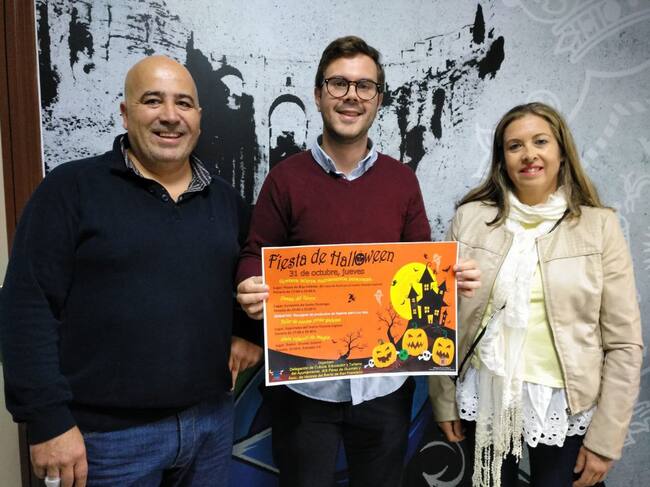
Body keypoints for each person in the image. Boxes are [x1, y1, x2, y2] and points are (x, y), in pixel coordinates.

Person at [0, 55, 261, 487]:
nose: (170, 116)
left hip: (210, 424)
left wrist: (248, 332)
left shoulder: (224, 199)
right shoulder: (70, 189)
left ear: (198, 118)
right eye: (152, 100)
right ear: (125, 113)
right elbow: (26, 305)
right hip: (107, 441)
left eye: (183, 103)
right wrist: (47, 420)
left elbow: (252, 271)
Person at [236, 36, 481, 487]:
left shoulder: (402, 181)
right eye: (339, 84)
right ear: (318, 94)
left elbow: (418, 265)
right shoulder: (284, 179)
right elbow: (255, 252)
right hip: (304, 386)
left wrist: (447, 280)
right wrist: (251, 283)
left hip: (384, 387)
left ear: (378, 99)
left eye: (364, 86)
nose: (351, 95)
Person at [428, 102, 643, 487]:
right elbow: (441, 319)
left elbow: (624, 343)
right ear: (502, 160)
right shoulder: (470, 219)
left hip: (564, 402)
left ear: (561, 152)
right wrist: (443, 399)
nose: (529, 154)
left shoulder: (599, 226)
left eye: (540, 142)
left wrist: (606, 439)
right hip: (486, 394)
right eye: (515, 146)